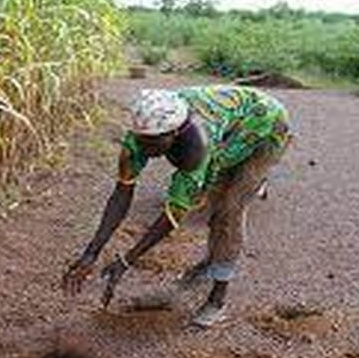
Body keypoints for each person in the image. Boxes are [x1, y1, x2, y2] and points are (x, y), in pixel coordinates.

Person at [62, 85, 292, 328]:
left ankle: (217, 300)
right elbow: (121, 193)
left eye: (154, 142)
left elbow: (172, 216)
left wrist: (126, 261)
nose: (146, 149)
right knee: (211, 196)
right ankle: (209, 262)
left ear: (176, 132)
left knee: (228, 210)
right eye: (142, 140)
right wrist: (91, 253)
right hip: (228, 124)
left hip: (265, 126)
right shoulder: (143, 133)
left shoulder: (197, 149)